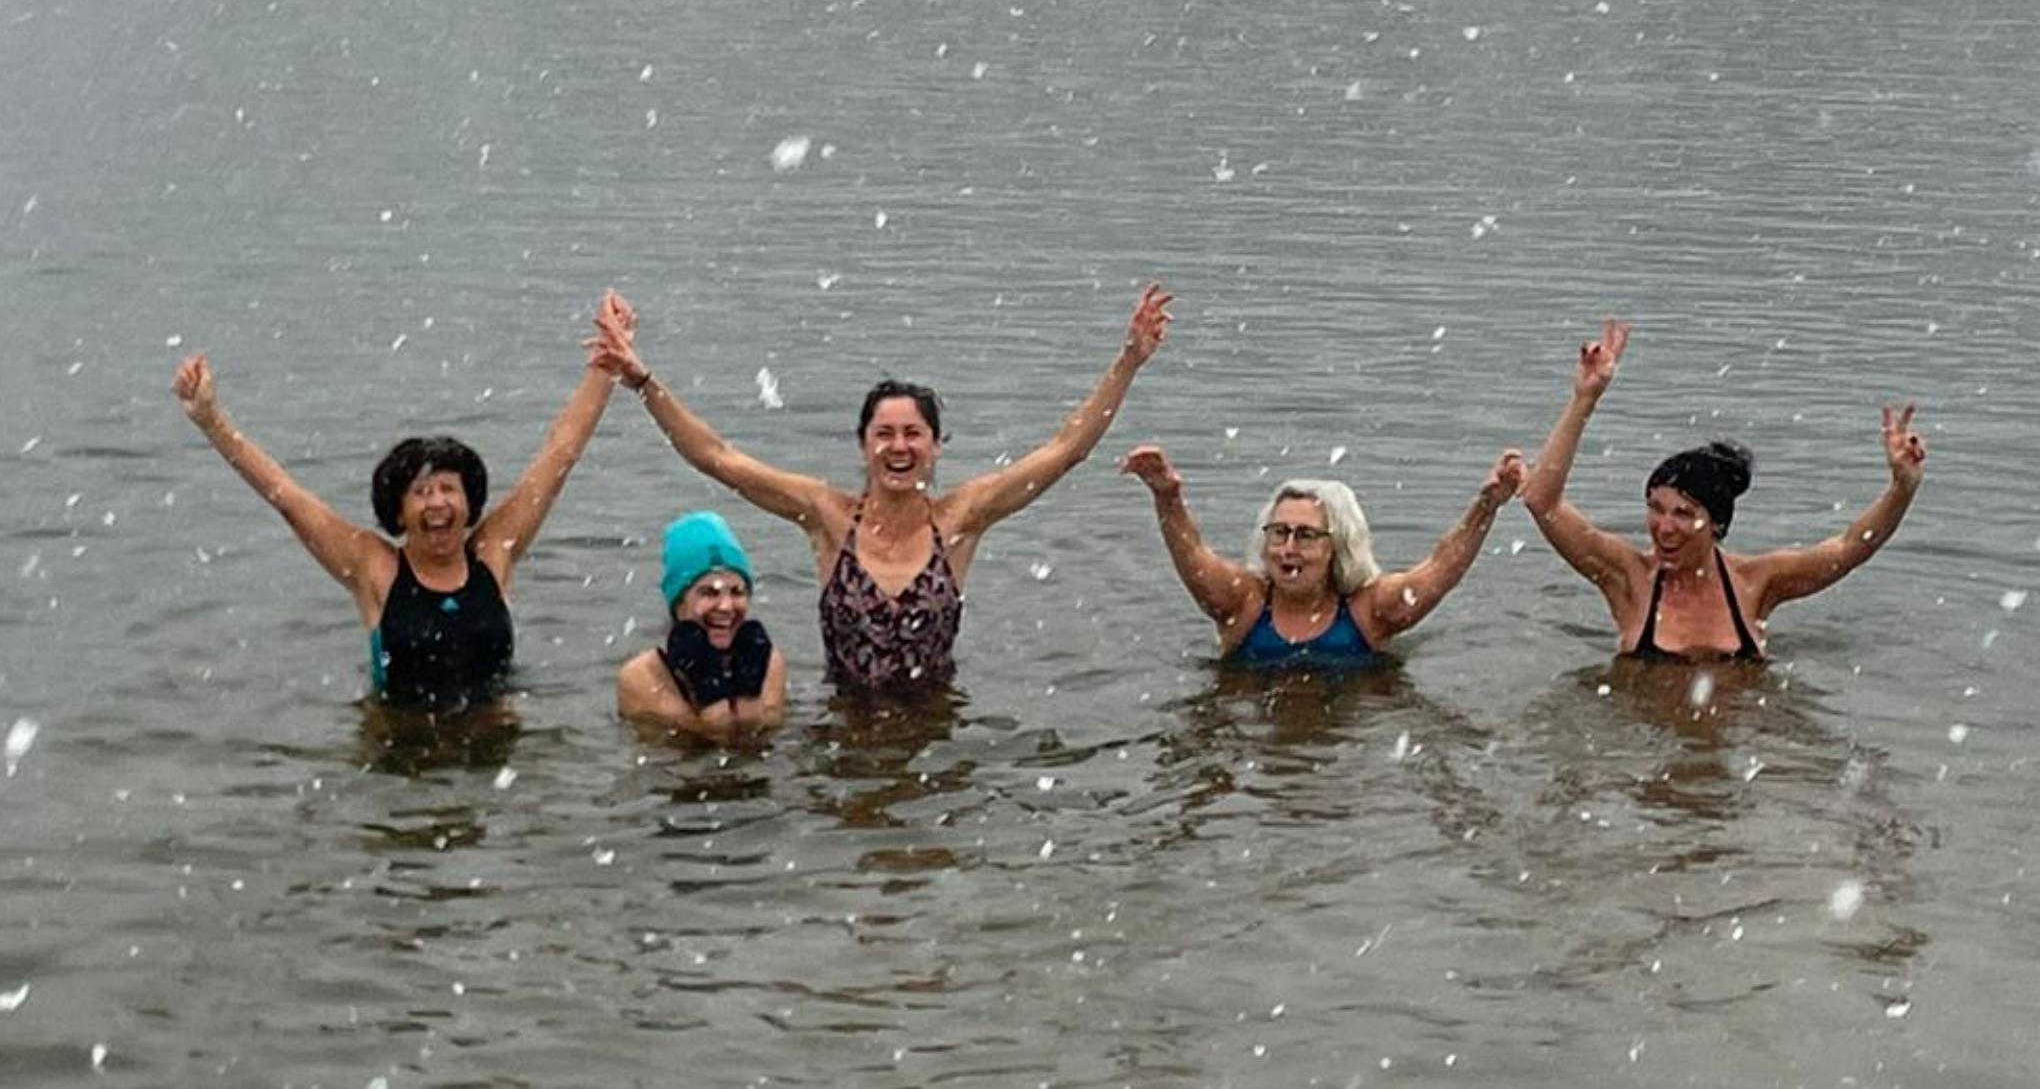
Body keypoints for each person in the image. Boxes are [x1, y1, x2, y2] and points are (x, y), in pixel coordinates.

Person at [587, 284, 1173, 693]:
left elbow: (1065, 450)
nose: (899, 447)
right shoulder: (826, 516)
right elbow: (718, 458)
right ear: (863, 444)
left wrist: (1129, 361)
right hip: (843, 730)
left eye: (913, 434)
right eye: (885, 434)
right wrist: (643, 381)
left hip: (935, 729)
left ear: (936, 446)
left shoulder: (962, 517)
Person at [170, 291, 637, 711]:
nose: (437, 503)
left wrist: (606, 365)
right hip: (400, 748)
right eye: (421, 492)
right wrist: (212, 422)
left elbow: (559, 457)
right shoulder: (376, 568)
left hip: (492, 743)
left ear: (469, 503)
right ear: (398, 511)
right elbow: (287, 498)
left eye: (448, 489)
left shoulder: (493, 553)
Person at [1519, 318, 1928, 661]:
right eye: (1656, 508)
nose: (1664, 527)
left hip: (1737, 728)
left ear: (1716, 523)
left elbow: (1851, 548)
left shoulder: (1756, 584)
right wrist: (1584, 399)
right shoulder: (1629, 579)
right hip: (1643, 731)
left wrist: (1902, 488)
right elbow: (1541, 500)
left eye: (1683, 513)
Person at [1119, 443, 1526, 665]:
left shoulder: (1371, 610)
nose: (1288, 549)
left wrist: (1486, 507)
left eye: (1306, 536)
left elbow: (1440, 569)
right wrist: (1167, 498)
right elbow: (1193, 555)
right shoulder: (1242, 603)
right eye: (1279, 533)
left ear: (1338, 546)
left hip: (1341, 752)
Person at [617, 512, 788, 740]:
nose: (726, 606)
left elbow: (760, 737)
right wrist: (706, 679)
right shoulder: (641, 676)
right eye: (709, 593)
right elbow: (709, 737)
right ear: (679, 602)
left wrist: (749, 686)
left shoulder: (768, 660)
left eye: (737, 592)